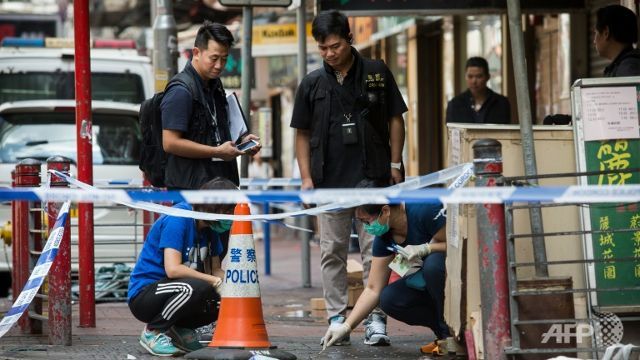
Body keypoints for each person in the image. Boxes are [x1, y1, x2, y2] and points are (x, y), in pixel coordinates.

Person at [290, 9, 407, 346]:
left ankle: (375, 318)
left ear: (349, 38)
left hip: (373, 179)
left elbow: (396, 119)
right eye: (323, 48)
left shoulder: (376, 72)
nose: (329, 53)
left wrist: (396, 164)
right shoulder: (312, 83)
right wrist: (306, 178)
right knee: (332, 251)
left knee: (377, 250)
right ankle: (337, 317)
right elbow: (301, 133)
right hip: (329, 181)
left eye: (335, 46)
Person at [161, 21, 260, 259]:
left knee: (217, 253)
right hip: (191, 191)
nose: (219, 65)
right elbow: (170, 143)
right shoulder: (181, 91)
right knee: (193, 257)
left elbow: (221, 130)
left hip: (218, 188)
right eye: (214, 58)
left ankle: (213, 296)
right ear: (196, 52)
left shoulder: (214, 87)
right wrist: (216, 150)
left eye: (224, 59)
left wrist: (243, 141)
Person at [322, 179, 450, 355]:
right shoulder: (384, 237)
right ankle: (443, 335)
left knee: (433, 266)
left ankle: (451, 334)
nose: (367, 228)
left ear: (385, 210)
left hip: (449, 273)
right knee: (389, 299)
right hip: (424, 280)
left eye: (367, 221)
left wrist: (427, 248)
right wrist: (346, 326)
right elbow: (373, 288)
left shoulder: (423, 209)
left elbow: (455, 244)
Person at [127, 177, 237, 357]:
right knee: (197, 287)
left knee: (226, 297)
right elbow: (173, 269)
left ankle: (180, 331)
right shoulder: (178, 218)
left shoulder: (211, 227)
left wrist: (236, 285)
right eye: (227, 211)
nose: (230, 218)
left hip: (180, 289)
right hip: (145, 294)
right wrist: (215, 281)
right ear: (213, 208)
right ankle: (152, 332)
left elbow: (216, 269)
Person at [446, 56, 511, 124]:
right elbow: (451, 132)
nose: (474, 81)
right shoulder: (454, 104)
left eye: (479, 76)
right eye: (470, 76)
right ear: (465, 77)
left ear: (488, 77)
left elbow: (504, 132)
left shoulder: (501, 103)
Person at [594, 5, 640, 77]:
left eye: (596, 33)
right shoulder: (624, 65)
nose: (594, 41)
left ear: (606, 32)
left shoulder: (627, 69)